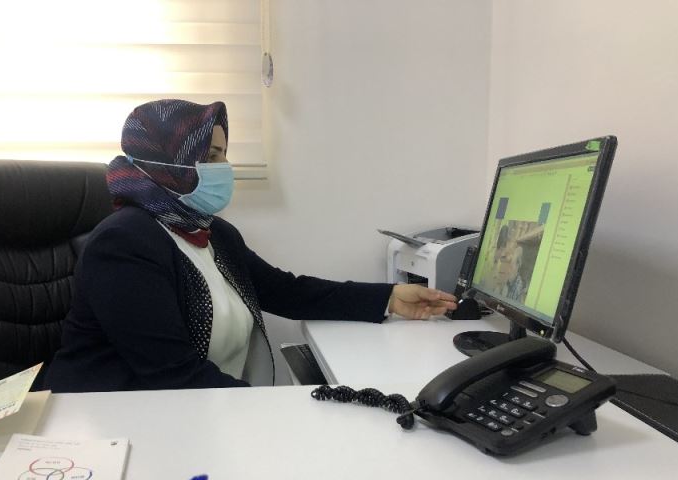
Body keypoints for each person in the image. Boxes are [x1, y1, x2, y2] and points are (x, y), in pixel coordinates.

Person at [44, 100, 456, 392]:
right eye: (209, 155)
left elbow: (288, 291)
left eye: (223, 154)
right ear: (166, 161)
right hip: (109, 422)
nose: (223, 168)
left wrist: (390, 298)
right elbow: (172, 375)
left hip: (191, 409)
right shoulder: (123, 244)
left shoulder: (214, 233)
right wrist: (275, 411)